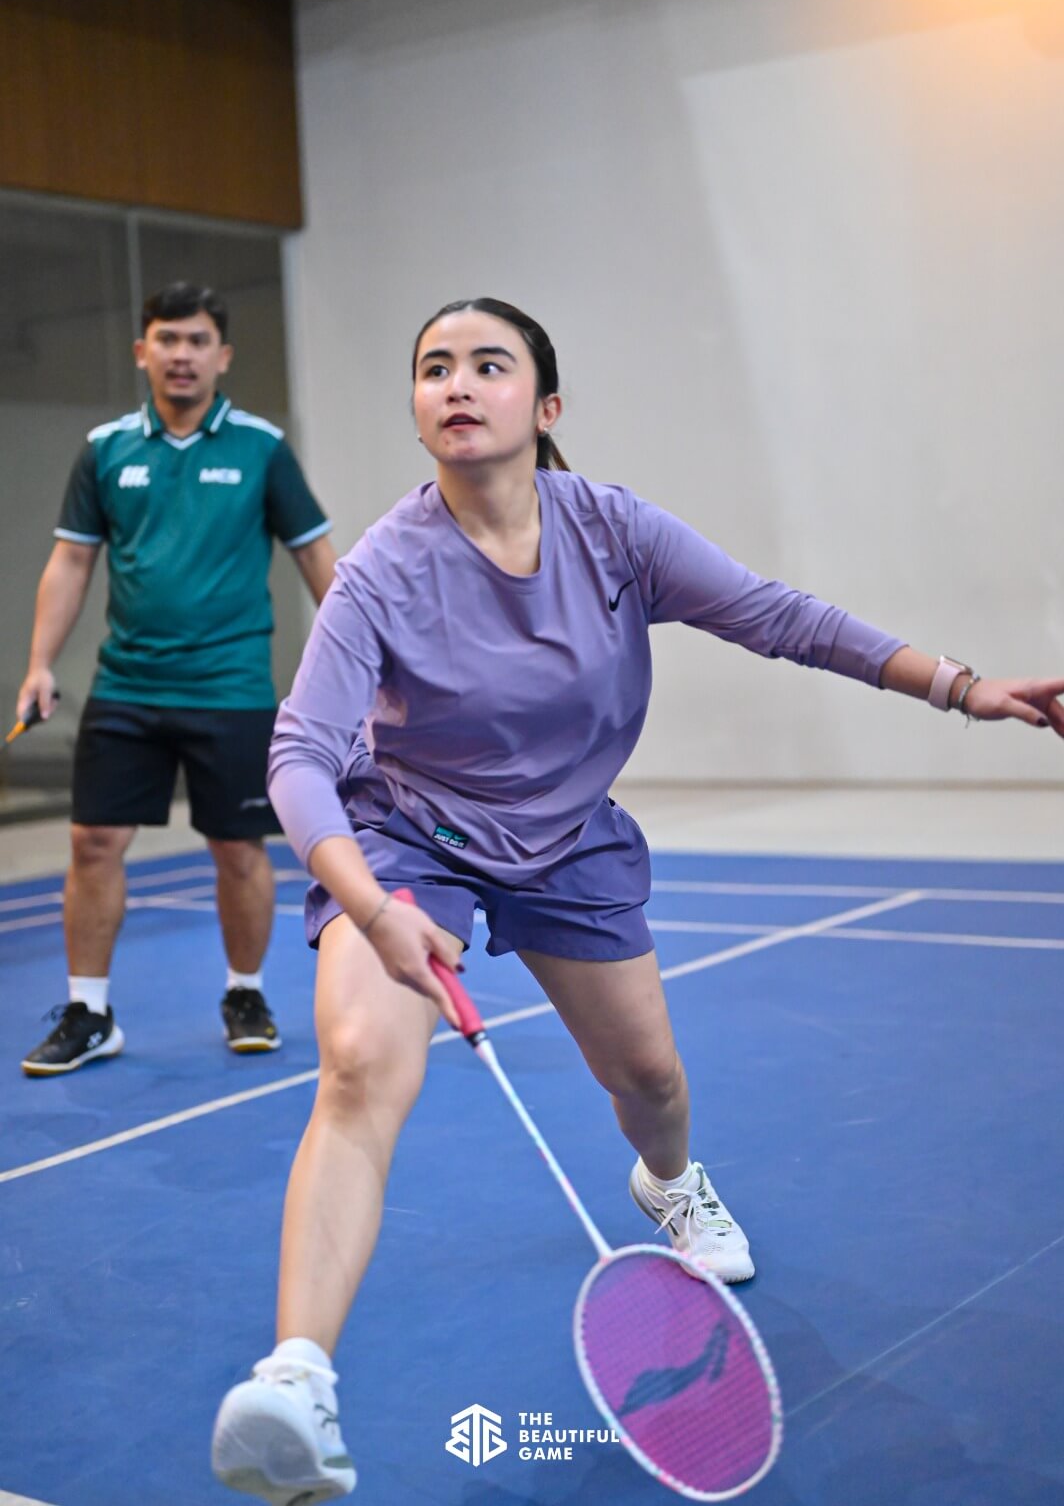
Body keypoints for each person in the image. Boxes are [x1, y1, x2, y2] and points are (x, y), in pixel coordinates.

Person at [211, 297, 1064, 1503]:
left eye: (488, 365)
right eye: (435, 368)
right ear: (417, 406)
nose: (457, 384)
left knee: (650, 1081)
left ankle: (666, 1183)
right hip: (410, 838)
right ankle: (295, 1382)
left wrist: (960, 688)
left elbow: (779, 617)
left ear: (544, 405)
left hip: (567, 839)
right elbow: (299, 752)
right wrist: (367, 898)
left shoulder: (612, 531)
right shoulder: (383, 572)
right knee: (357, 1065)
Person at [18, 281, 337, 1077]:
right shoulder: (105, 450)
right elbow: (71, 561)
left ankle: (245, 994)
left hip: (231, 687)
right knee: (93, 841)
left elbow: (315, 556)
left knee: (238, 847)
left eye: (197, 341)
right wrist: (39, 664)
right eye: (167, 339)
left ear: (222, 356)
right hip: (127, 684)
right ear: (142, 352)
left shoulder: (262, 448)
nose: (182, 355)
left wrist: (358, 668)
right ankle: (90, 1012)